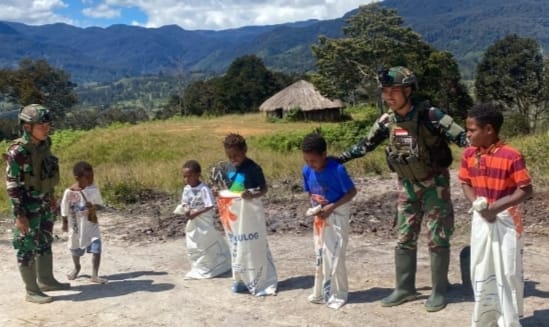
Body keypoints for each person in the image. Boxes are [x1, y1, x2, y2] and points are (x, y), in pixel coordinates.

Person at [337, 66, 469, 312]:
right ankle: (405, 288)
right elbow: (364, 145)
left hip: (434, 187)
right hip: (406, 186)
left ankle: (439, 290)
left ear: (408, 90)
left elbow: (464, 139)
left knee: (437, 237)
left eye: (393, 90)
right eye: (385, 91)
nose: (388, 96)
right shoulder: (387, 120)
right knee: (404, 237)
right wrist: (338, 159)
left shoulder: (431, 115)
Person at [458, 103, 533, 327]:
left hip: (507, 220)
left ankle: (508, 321)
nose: (468, 134)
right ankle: (486, 319)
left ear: (489, 130)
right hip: (482, 218)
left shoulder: (511, 155)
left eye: (472, 130)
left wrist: (496, 208)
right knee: (481, 268)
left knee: (508, 271)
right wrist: (479, 205)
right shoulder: (470, 154)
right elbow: (464, 182)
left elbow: (526, 189)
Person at [5, 104, 70, 304]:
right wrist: (20, 215)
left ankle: (46, 280)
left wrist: (51, 196)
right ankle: (31, 290)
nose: (46, 128)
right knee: (26, 246)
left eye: (47, 125)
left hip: (43, 203)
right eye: (41, 126)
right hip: (27, 207)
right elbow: (12, 184)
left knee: (44, 240)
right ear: (27, 127)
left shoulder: (44, 145)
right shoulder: (18, 151)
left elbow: (46, 172)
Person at [216, 133, 278, 296]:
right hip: (234, 216)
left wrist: (252, 195)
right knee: (237, 247)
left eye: (236, 155)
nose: (233, 159)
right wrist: (220, 193)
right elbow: (229, 189)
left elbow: (263, 189)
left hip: (250, 214)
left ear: (245, 150)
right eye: (230, 156)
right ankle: (241, 280)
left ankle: (260, 279)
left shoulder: (253, 168)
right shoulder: (227, 168)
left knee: (253, 246)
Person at [301, 133, 357, 310]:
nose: (311, 165)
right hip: (321, 217)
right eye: (307, 160)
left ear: (324, 154)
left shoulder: (337, 170)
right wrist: (316, 207)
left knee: (336, 255)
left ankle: (339, 293)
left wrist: (331, 207)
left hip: (338, 214)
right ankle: (322, 292)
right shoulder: (306, 170)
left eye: (314, 161)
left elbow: (351, 192)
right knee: (321, 255)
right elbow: (310, 192)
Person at [177, 159, 231, 279]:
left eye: (189, 176)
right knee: (194, 244)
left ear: (197, 174)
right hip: (193, 222)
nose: (186, 179)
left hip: (204, 221)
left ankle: (214, 266)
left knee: (206, 242)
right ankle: (199, 266)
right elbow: (185, 202)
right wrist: (186, 209)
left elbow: (209, 205)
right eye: (184, 177)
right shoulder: (186, 189)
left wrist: (196, 213)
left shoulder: (204, 189)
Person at [60, 161, 107, 284]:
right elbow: (64, 209)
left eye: (92, 176)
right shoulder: (69, 192)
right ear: (77, 178)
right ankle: (77, 267)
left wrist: (93, 206)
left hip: (91, 224)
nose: (91, 179)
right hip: (76, 226)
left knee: (96, 247)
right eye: (88, 177)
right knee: (75, 248)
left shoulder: (94, 189)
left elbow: (100, 205)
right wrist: (64, 223)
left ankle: (95, 275)